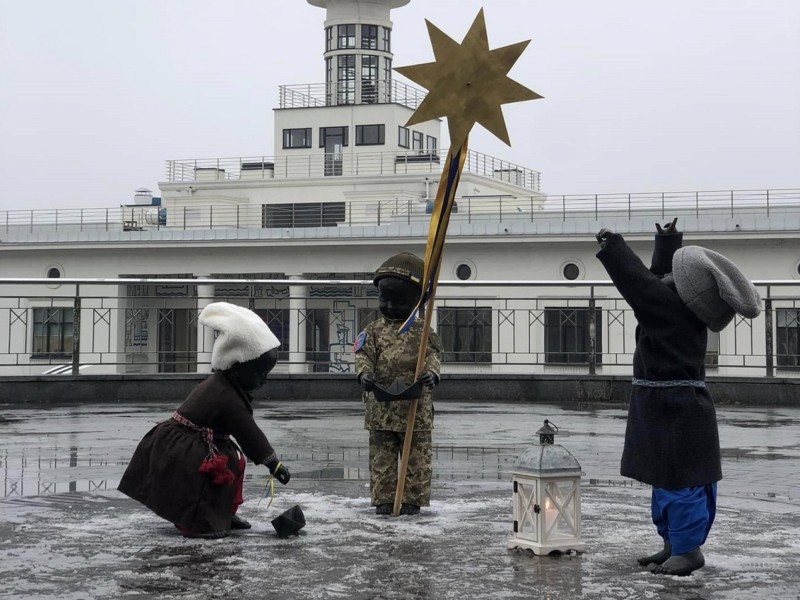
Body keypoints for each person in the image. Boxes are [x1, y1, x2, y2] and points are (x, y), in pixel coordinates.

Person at [595, 218, 761, 576]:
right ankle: (675, 544)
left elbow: (640, 286)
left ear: (686, 288)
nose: (670, 277)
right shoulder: (686, 308)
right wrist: (667, 240)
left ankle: (687, 551)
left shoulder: (668, 310)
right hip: (681, 406)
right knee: (673, 480)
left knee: (676, 483)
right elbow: (659, 283)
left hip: (671, 409)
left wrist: (614, 246)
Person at [118, 301, 291, 538]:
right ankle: (198, 521)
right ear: (238, 367)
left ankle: (225, 512)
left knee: (235, 461)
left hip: (197, 440)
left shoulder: (226, 384)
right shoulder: (225, 394)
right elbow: (248, 433)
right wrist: (274, 464)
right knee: (207, 475)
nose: (264, 381)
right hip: (182, 448)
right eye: (260, 374)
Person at [354, 252, 442, 516]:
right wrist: (364, 374)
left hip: (415, 407)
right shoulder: (372, 331)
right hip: (382, 407)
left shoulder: (423, 331)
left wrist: (431, 373)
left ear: (416, 301)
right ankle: (384, 499)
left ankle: (412, 501)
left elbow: (433, 356)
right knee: (382, 458)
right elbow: (363, 355)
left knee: (417, 458)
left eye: (399, 301)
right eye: (385, 300)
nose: (391, 306)